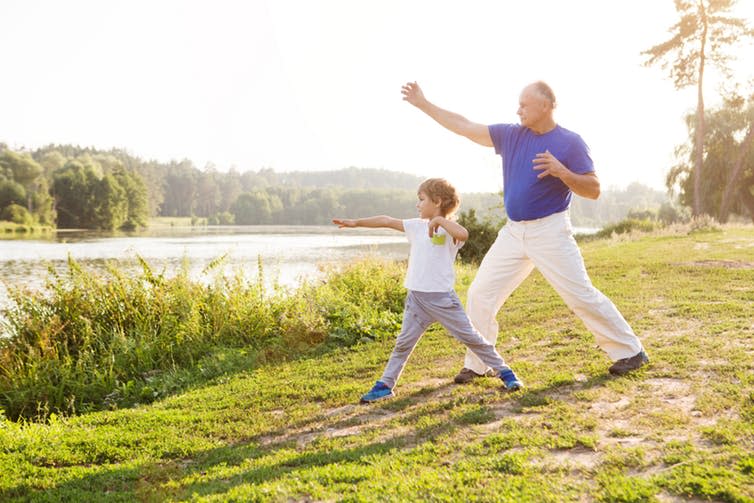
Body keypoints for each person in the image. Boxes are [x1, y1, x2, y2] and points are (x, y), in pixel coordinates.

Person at [400, 81, 649, 382]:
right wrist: (424, 104)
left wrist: (562, 172)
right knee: (480, 293)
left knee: (579, 294)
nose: (518, 110)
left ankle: (630, 352)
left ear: (545, 106)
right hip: (513, 233)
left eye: (524, 105)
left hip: (550, 230)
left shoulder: (570, 143)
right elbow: (465, 126)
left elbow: (593, 190)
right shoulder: (511, 135)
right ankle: (479, 363)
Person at [333, 178, 523, 403]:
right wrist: (355, 223)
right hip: (416, 299)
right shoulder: (416, 226)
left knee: (472, 338)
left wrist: (440, 220)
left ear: (438, 201)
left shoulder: (449, 230)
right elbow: (386, 220)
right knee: (403, 343)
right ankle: (385, 385)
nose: (417, 204)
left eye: (421, 200)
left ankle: (506, 373)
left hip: (443, 300)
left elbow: (463, 234)